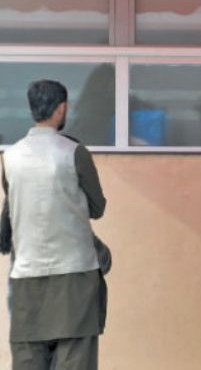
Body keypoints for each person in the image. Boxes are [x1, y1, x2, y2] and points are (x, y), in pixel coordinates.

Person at [1, 79, 108, 370]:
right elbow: (98, 207)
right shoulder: (74, 152)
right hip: (75, 275)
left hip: (26, 277)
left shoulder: (9, 157)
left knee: (28, 360)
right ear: (61, 109)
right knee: (75, 358)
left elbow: (9, 212)